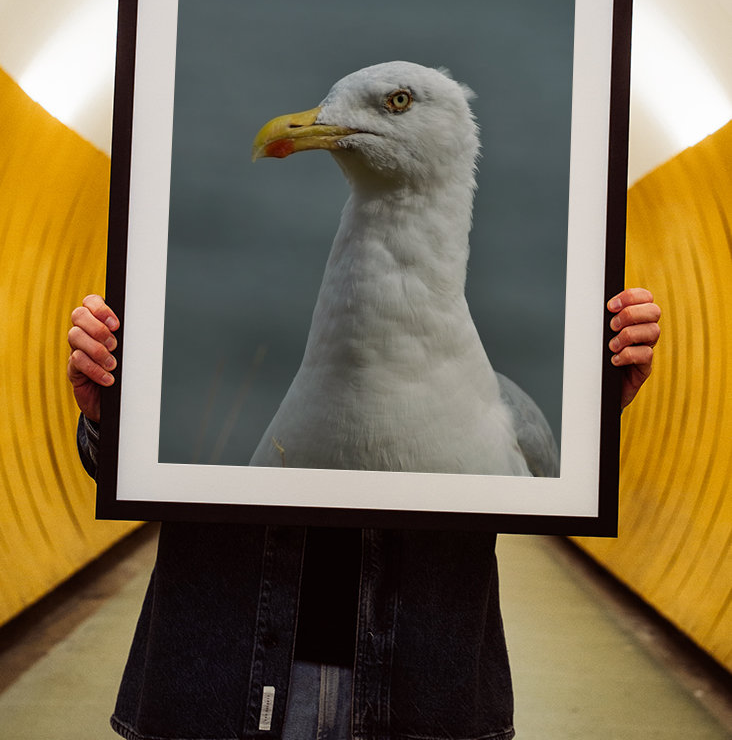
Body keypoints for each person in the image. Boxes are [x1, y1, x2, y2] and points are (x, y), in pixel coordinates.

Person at [68, 288, 661, 740]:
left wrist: (594, 410)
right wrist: (108, 417)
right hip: (221, 675)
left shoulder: (482, 400)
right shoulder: (212, 347)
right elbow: (137, 465)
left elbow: (539, 473)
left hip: (420, 683)